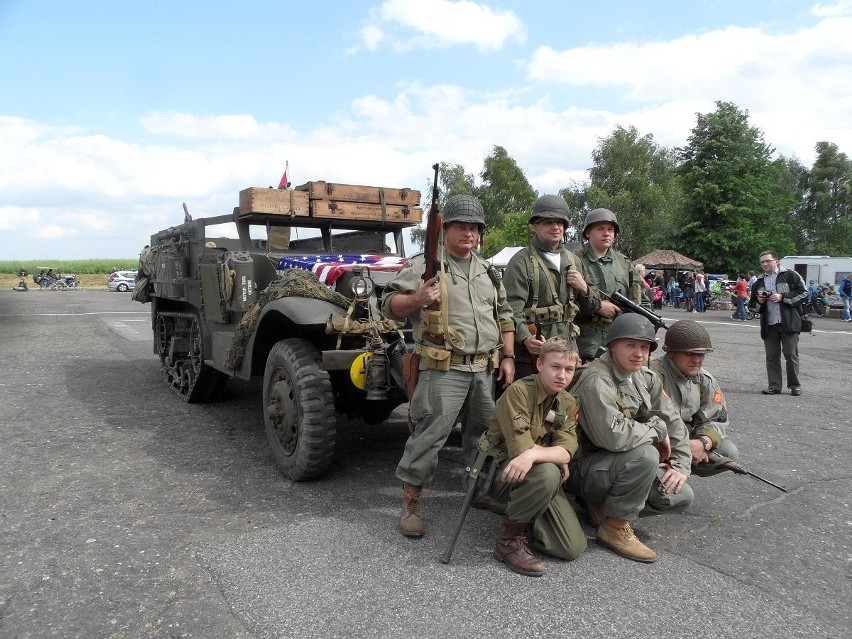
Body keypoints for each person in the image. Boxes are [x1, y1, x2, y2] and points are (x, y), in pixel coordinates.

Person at [381, 194, 516, 538]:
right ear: (445, 230)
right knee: (429, 436)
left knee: (484, 437)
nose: (468, 233)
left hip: (484, 368)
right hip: (443, 369)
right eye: (460, 226)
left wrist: (510, 357)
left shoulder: (487, 270)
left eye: (474, 228)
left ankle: (480, 492)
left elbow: (505, 316)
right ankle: (411, 500)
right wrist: (417, 299)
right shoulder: (425, 264)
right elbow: (389, 305)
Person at [567, 314, 693, 563]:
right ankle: (614, 526)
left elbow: (673, 420)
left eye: (644, 347)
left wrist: (681, 464)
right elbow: (614, 437)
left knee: (682, 495)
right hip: (582, 467)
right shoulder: (597, 380)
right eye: (630, 345)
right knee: (647, 455)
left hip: (614, 465)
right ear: (612, 346)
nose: (638, 353)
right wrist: (657, 431)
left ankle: (602, 505)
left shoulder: (644, 377)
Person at [484, 337, 587, 577]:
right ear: (540, 365)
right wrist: (548, 457)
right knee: (550, 471)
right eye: (555, 367)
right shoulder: (518, 393)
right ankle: (508, 541)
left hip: (535, 475)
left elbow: (567, 450)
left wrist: (534, 454)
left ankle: (527, 511)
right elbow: (520, 451)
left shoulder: (568, 402)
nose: (562, 375)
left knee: (571, 548)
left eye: (569, 369)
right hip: (498, 475)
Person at [502, 195, 588, 380]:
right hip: (532, 353)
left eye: (560, 222)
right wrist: (526, 338)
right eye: (548, 222)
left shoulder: (575, 262)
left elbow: (589, 306)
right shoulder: (521, 262)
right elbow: (509, 310)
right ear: (536, 226)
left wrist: (585, 289)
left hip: (567, 351)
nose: (556, 227)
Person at [650, 320, 740, 478]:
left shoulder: (705, 380)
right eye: (690, 354)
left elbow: (716, 419)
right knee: (680, 498)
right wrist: (678, 446)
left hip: (686, 440)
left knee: (727, 452)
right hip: (658, 442)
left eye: (701, 354)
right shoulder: (651, 375)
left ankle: (675, 474)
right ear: (671, 352)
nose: (697, 360)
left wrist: (703, 442)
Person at [572, 208, 648, 362]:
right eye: (599, 229)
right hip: (586, 345)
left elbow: (642, 300)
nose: (606, 233)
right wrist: (598, 306)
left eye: (610, 229)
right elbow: (567, 302)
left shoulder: (624, 263)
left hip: (619, 341)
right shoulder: (574, 261)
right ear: (588, 233)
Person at [748, 250, 807, 396]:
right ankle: (774, 386)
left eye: (768, 260)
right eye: (762, 262)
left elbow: (804, 293)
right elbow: (751, 305)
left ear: (777, 261)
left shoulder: (790, 275)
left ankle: (794, 385)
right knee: (772, 356)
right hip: (769, 324)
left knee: (790, 354)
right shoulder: (759, 282)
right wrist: (760, 302)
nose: (765, 264)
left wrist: (783, 297)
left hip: (788, 322)